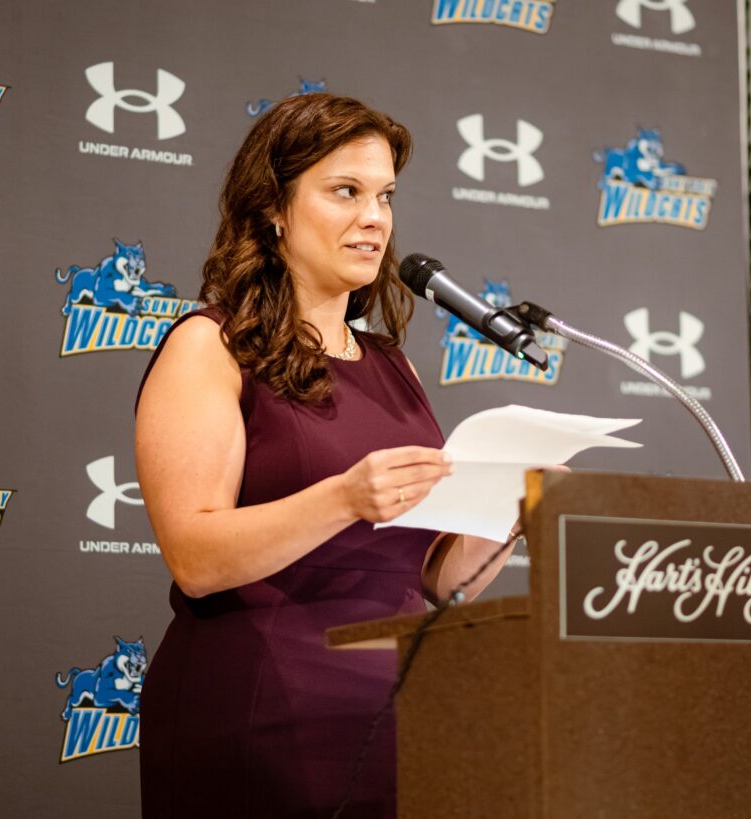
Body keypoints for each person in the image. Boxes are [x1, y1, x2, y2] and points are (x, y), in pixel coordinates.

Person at [134, 94, 518, 819]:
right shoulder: (209, 347)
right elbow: (194, 554)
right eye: (346, 191)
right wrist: (343, 497)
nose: (374, 218)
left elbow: (432, 574)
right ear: (274, 207)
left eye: (385, 196)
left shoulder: (391, 365)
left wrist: (510, 517)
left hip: (395, 717)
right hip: (261, 717)